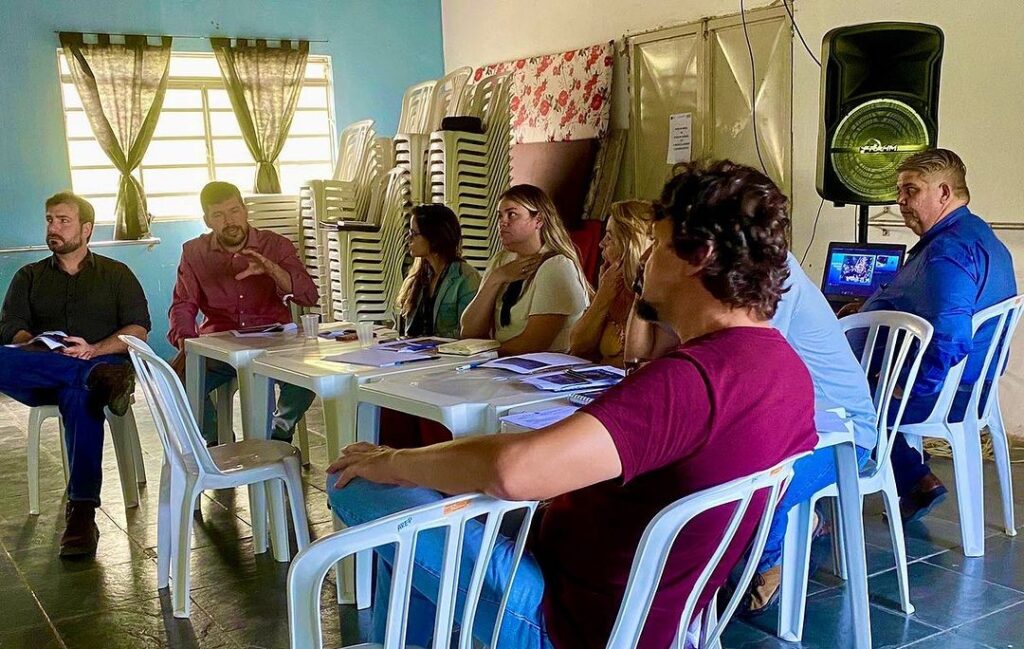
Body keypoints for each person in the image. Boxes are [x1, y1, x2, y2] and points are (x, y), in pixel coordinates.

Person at [325, 161, 818, 648]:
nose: (645, 260)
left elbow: (513, 473)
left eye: (658, 244)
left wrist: (393, 461)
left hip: (571, 618)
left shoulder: (690, 382)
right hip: (647, 603)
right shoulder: (784, 369)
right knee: (429, 497)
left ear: (699, 257)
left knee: (357, 481)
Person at [848, 149, 1017, 523]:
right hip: (970, 387)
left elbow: (952, 338)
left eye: (911, 190)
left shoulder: (949, 252)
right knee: (856, 389)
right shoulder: (973, 233)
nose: (900, 200)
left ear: (944, 193)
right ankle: (915, 475)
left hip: (946, 395)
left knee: (838, 401)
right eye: (899, 191)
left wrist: (905, 385)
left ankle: (832, 505)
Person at [0, 192, 150, 558]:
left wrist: (94, 350)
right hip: (43, 372)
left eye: (63, 221)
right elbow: (10, 327)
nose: (53, 227)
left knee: (81, 397)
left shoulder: (117, 274)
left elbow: (138, 329)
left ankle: (81, 512)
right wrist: (38, 343)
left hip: (103, 361)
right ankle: (91, 375)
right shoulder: (29, 276)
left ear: (86, 229)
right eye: (49, 220)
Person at [738, 252, 877, 615]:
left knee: (762, 482)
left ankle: (770, 563)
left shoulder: (774, 278)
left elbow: (754, 367)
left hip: (845, 434)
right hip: (803, 422)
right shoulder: (742, 273)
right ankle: (799, 525)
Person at [168, 181, 320, 446]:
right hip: (220, 346)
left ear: (245, 210)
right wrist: (186, 342)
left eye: (234, 211)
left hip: (276, 343)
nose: (230, 221)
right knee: (174, 381)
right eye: (219, 215)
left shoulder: (276, 245)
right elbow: (183, 304)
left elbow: (308, 295)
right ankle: (218, 443)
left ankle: (279, 432)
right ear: (207, 220)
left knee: (310, 373)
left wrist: (272, 270)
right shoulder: (193, 252)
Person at [459, 184, 591, 354]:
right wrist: (496, 278)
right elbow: (469, 331)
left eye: (512, 215)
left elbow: (532, 343)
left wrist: (484, 354)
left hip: (543, 365)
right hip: (504, 360)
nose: (502, 222)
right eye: (500, 216)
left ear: (538, 220)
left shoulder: (557, 265)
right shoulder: (501, 260)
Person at [568, 200, 652, 368]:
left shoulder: (654, 296)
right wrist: (602, 297)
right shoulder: (611, 288)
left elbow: (636, 364)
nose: (601, 244)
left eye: (610, 238)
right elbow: (577, 347)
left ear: (629, 246)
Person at [396, 204, 481, 338]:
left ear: (434, 237)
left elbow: (467, 334)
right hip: (413, 349)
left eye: (414, 234)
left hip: (447, 351)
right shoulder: (418, 277)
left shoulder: (466, 278)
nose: (408, 239)